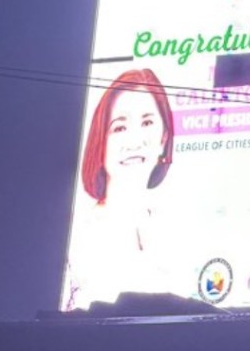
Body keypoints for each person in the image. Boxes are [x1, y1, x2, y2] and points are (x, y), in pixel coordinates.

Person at [63, 68, 182, 310]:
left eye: (147, 123)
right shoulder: (74, 233)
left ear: (163, 137)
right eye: (120, 127)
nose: (134, 141)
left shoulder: (174, 232)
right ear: (101, 141)